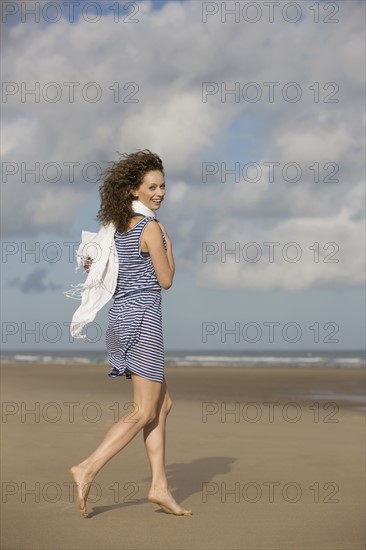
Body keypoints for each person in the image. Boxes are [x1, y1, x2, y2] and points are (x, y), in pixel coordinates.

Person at [70, 150, 192, 517]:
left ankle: (159, 486)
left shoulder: (118, 228)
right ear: (134, 191)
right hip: (142, 323)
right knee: (142, 410)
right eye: (152, 187)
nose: (160, 192)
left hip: (122, 321)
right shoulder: (150, 227)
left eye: (163, 185)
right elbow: (166, 279)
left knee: (162, 405)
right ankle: (87, 467)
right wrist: (168, 241)